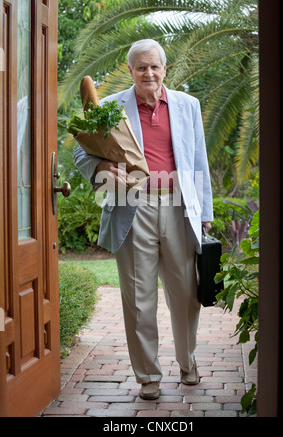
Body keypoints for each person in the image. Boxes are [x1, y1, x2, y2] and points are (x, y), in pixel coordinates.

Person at [73, 39, 213, 400]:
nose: (148, 73)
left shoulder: (187, 105)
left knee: (186, 294)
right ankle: (148, 375)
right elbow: (80, 151)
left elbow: (199, 159)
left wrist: (205, 214)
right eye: (140, 67)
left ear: (164, 69)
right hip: (132, 208)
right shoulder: (109, 106)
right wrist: (101, 165)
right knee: (138, 297)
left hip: (180, 208)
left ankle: (188, 363)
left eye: (154, 66)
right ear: (131, 70)